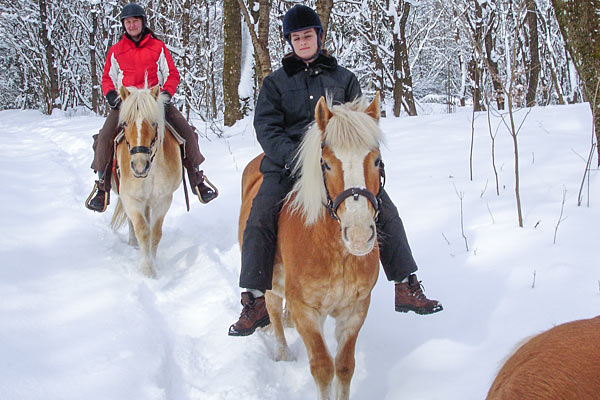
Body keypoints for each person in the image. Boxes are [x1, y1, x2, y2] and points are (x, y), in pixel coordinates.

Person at [228, 4, 443, 337]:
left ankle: (405, 283)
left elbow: (361, 124)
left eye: (308, 35)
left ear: (318, 36)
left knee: (384, 208)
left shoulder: (344, 79)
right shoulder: (275, 83)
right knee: (261, 213)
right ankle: (255, 298)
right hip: (289, 165)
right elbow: (266, 127)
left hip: (339, 165)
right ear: (290, 41)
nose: (302, 42)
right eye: (296, 37)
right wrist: (297, 157)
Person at [86, 3, 217, 212]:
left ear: (142, 22)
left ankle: (198, 180)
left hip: (154, 103)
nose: (131, 25)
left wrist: (164, 94)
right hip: (126, 105)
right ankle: (102, 188)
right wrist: (112, 96)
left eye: (135, 21)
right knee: (104, 138)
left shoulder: (158, 47)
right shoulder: (116, 51)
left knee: (187, 133)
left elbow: (172, 74)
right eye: (127, 22)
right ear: (123, 25)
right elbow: (107, 78)